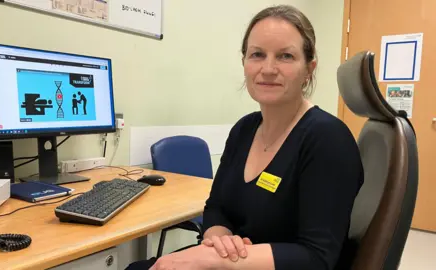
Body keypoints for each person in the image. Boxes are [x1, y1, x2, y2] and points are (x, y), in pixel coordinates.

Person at [127, 5, 363, 270]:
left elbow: (317, 258)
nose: (268, 68)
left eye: (285, 56)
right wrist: (218, 239)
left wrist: (217, 259)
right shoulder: (244, 129)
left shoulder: (327, 139)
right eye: (257, 55)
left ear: (309, 68)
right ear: (244, 63)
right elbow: (216, 206)